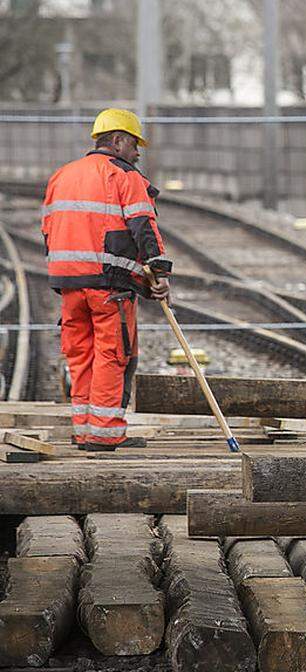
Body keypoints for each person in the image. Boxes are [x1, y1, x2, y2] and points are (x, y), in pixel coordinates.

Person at [42, 108, 171, 451]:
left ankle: (84, 430)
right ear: (117, 141)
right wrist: (159, 273)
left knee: (80, 355)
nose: (138, 153)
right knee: (113, 356)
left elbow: (48, 231)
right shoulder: (123, 176)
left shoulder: (62, 176)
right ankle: (105, 433)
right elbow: (143, 227)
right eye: (134, 145)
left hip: (68, 285)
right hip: (108, 287)